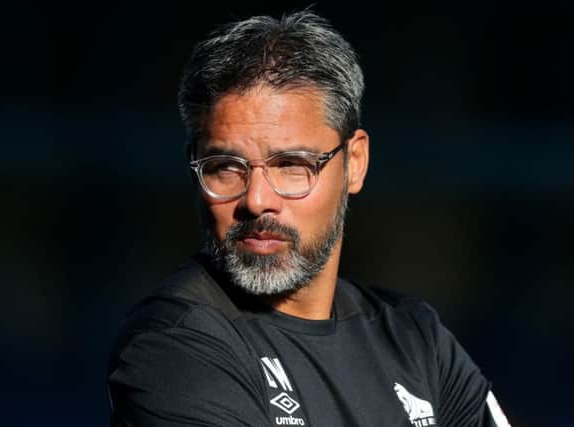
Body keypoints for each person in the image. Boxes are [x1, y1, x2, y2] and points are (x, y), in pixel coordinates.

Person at [107, 10, 511, 427]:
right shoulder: (174, 349)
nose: (257, 200)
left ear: (354, 163)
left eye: (291, 165)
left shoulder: (416, 341)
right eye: (225, 167)